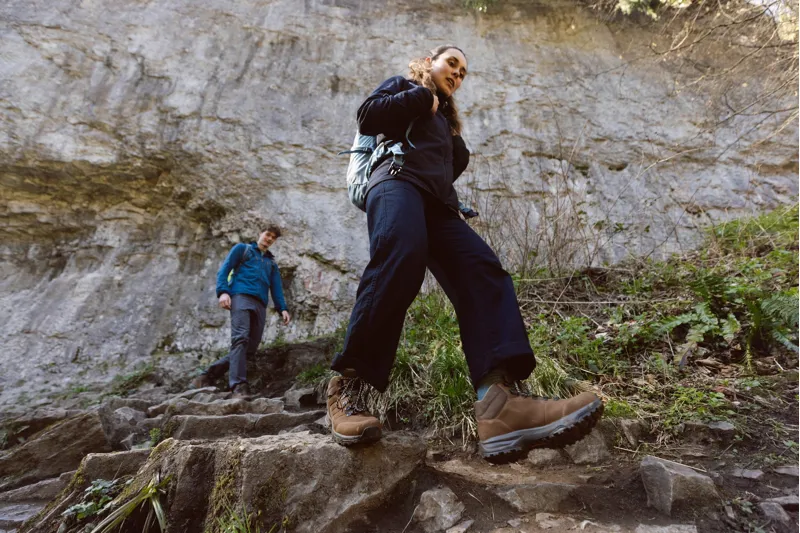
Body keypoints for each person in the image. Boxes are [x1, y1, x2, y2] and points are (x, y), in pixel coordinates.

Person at [326, 45, 604, 462]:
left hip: (437, 204)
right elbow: (369, 116)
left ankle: (500, 405)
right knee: (402, 257)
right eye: (451, 63)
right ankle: (350, 388)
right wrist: (421, 97)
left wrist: (451, 141)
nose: (458, 73)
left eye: (464, 72)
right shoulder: (406, 87)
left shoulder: (446, 122)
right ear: (429, 61)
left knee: (482, 270)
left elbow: (446, 167)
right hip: (395, 182)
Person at [191, 226, 291, 399]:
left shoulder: (271, 263)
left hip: (260, 304)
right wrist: (223, 292)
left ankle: (207, 375)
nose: (269, 239)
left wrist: (283, 308)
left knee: (250, 348)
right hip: (241, 297)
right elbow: (225, 269)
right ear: (260, 233)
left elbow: (276, 288)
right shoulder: (242, 249)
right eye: (268, 234)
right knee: (240, 338)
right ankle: (238, 385)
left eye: (273, 238)